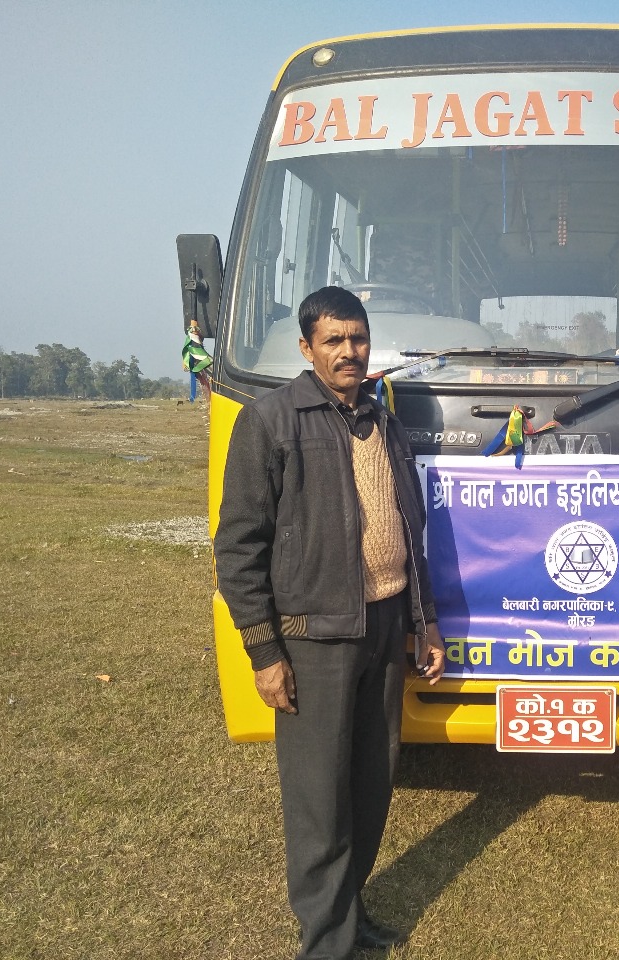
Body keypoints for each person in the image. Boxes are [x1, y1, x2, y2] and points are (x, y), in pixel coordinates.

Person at [213, 285, 445, 960]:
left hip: (383, 626)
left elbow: (410, 528)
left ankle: (349, 913)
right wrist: (265, 653)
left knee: (370, 786)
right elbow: (238, 547)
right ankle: (327, 944)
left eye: (358, 338)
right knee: (319, 800)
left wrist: (423, 622)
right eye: (334, 340)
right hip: (314, 639)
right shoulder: (270, 421)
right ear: (306, 347)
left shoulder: (382, 422)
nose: (349, 351)